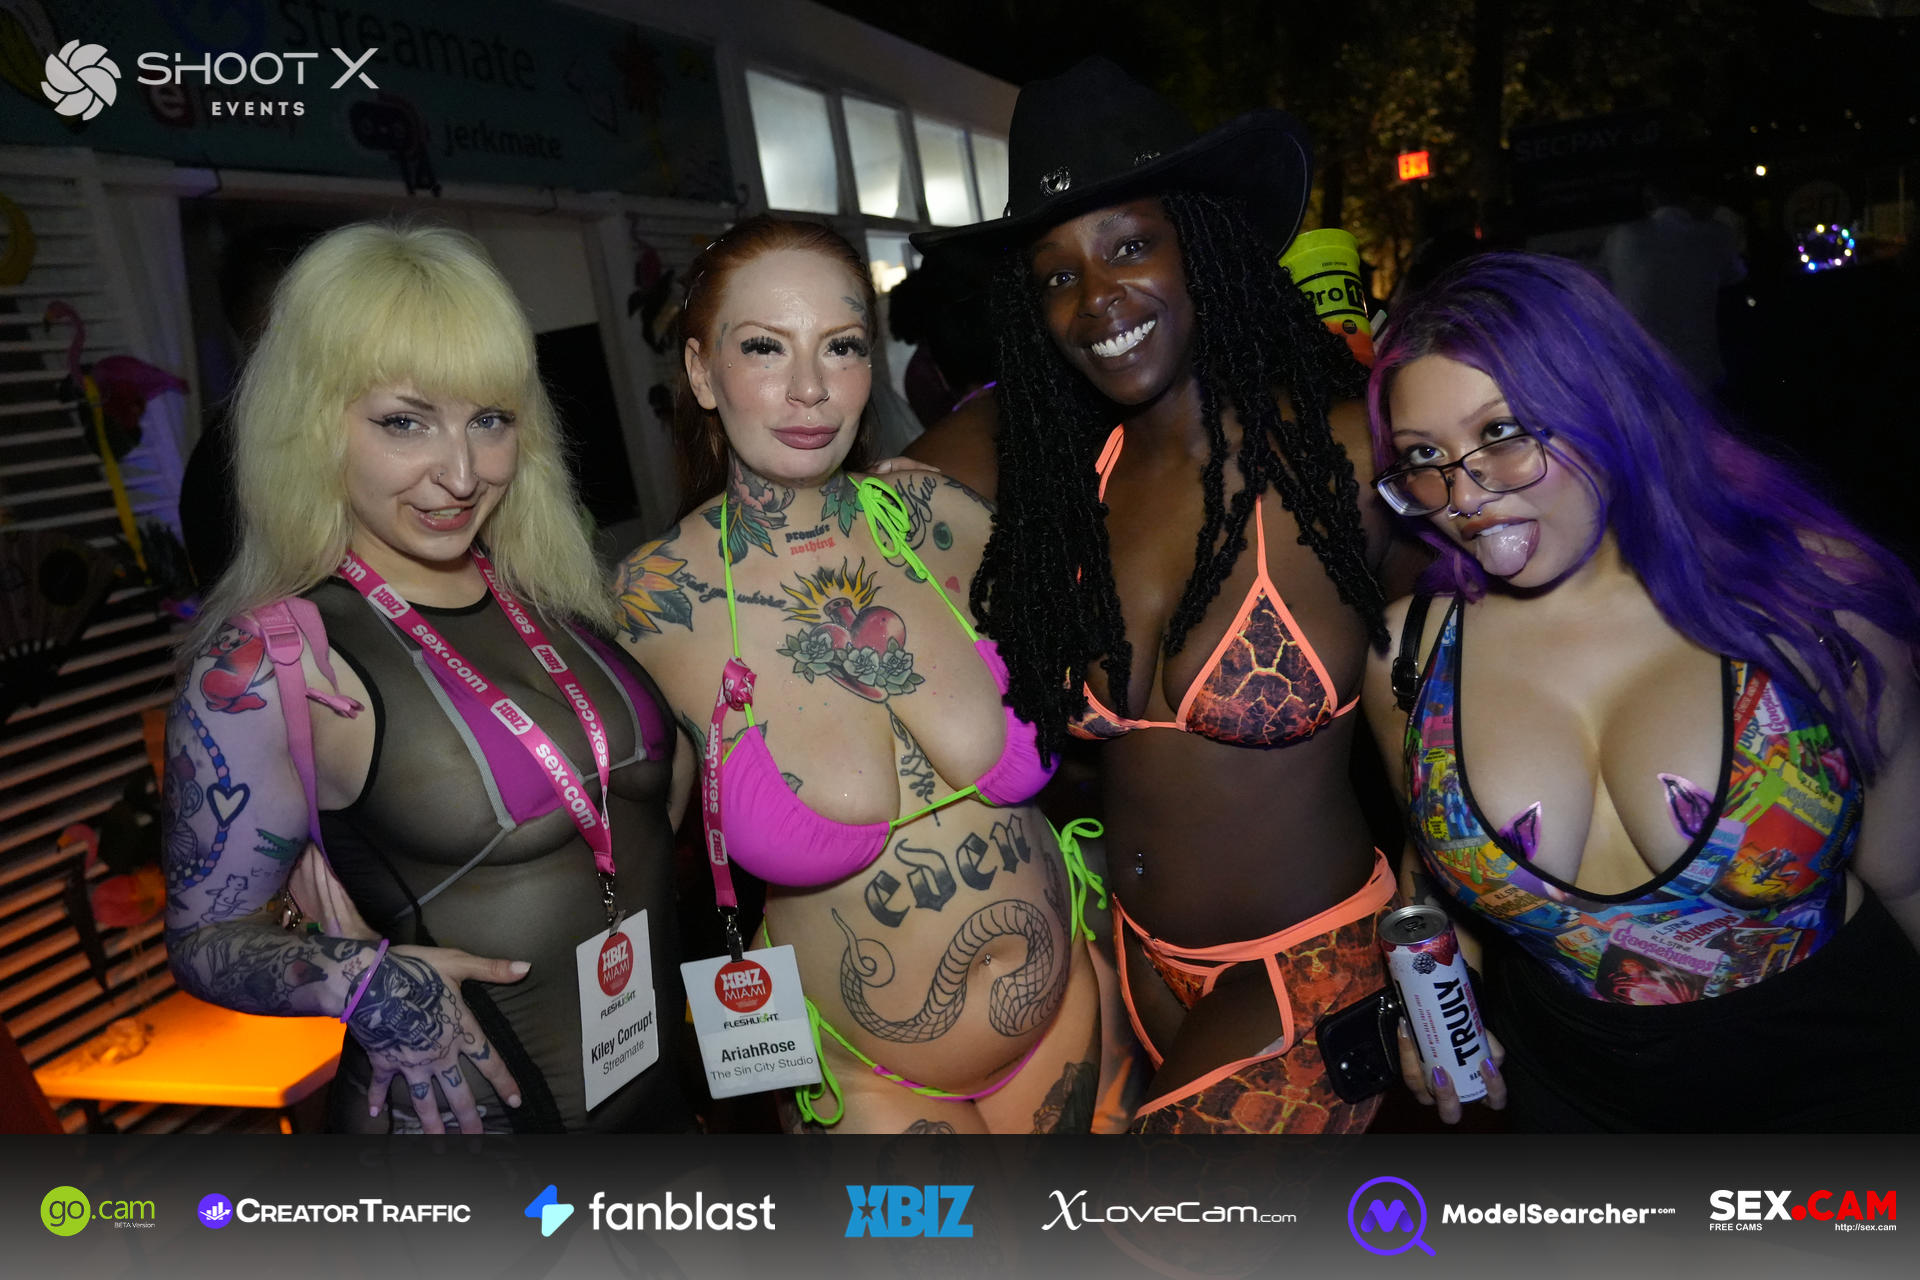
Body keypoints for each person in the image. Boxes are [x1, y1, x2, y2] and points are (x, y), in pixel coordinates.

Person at [915, 57, 1418, 1134]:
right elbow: (854, 508)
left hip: (1303, 972)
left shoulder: (1341, 456)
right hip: (1128, 958)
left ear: (1203, 241)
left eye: (1128, 246)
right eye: (1055, 275)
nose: (1095, 299)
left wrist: (1448, 924)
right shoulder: (1063, 488)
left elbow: (1459, 683)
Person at [1362, 251, 1920, 1131]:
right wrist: (1433, 1005)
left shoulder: (1808, 608)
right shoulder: (1410, 652)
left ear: (1605, 406)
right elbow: (1427, 865)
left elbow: (1909, 875)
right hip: (1574, 1105)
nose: (1462, 495)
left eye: (1502, 432)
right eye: (1424, 457)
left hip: (1844, 1090)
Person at [164, 223, 696, 1134]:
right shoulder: (270, 662)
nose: (461, 473)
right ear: (313, 424)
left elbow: (645, 805)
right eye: (403, 422)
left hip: (659, 1107)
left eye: (490, 420)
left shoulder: (546, 591)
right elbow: (205, 937)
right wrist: (362, 981)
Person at [614, 215, 1102, 1134]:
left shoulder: (946, 518)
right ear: (701, 373)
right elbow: (603, 854)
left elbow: (1107, 684)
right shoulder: (652, 607)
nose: (809, 388)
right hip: (864, 1076)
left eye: (840, 346)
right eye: (765, 347)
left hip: (1066, 1004)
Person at [1600, 175, 1745, 390]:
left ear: (1648, 200)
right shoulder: (1714, 235)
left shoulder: (1622, 237)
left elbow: (1605, 279)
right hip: (1699, 368)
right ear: (1692, 198)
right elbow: (1736, 275)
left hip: (1642, 369)